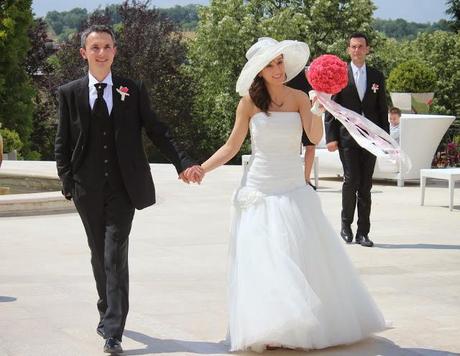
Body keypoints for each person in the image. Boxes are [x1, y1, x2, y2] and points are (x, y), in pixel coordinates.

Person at [199, 37, 385, 353]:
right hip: (258, 187)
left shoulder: (299, 96)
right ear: (259, 71)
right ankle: (270, 325)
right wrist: (201, 169)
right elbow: (232, 146)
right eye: (271, 65)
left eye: (280, 62)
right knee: (264, 258)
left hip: (292, 186)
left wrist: (316, 104)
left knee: (296, 254)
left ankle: (303, 323)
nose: (278, 69)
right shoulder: (248, 102)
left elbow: (313, 136)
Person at [55, 25, 202, 354]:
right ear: (84, 53)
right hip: (86, 189)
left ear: (115, 51)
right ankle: (106, 309)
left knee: (114, 255)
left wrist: (183, 163)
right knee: (98, 255)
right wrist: (67, 181)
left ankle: (113, 331)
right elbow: (62, 141)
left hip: (124, 189)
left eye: (107, 46)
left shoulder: (130, 89)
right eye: (95, 47)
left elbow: (156, 129)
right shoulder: (70, 92)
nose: (102, 52)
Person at [324, 33, 388, 247]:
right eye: (353, 46)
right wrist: (331, 137)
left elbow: (381, 110)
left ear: (367, 49)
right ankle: (345, 227)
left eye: (361, 46)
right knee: (351, 181)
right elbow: (331, 109)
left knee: (366, 185)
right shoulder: (339, 75)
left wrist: (385, 140)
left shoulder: (377, 76)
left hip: (370, 139)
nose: (357, 50)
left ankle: (363, 232)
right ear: (348, 49)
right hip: (347, 139)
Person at [287, 69, 317, 189]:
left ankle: (306, 179)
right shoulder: (284, 72)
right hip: (290, 113)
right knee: (289, 146)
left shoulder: (307, 72)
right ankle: (290, 178)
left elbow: (313, 90)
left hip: (306, 112)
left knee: (310, 145)